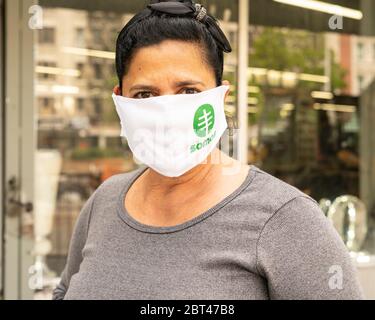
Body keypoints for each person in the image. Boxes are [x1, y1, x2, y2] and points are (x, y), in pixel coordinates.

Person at [53, 0, 364, 300]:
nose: (167, 112)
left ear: (220, 96)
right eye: (145, 94)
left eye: (188, 91)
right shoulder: (104, 203)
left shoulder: (287, 219)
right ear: (120, 101)